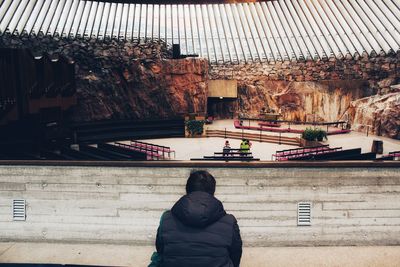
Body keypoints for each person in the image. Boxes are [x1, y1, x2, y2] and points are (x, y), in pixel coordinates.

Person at [151, 170, 242, 267]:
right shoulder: (229, 221)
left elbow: (161, 250)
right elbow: (235, 256)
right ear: (212, 191)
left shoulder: (166, 219)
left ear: (187, 190)